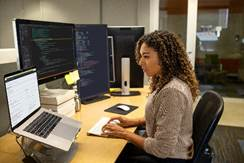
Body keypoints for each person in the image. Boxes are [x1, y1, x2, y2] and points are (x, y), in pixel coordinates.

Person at [102, 31, 199, 163]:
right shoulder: (166, 81)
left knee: (111, 155)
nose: (140, 62)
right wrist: (132, 122)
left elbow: (162, 149)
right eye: (141, 56)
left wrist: (124, 134)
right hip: (168, 152)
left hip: (170, 157)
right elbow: (163, 117)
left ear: (165, 57)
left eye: (146, 56)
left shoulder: (172, 92)